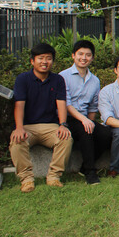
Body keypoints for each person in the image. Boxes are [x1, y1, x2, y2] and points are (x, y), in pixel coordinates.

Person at [9, 43, 73, 193]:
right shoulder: (23, 79)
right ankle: (26, 180)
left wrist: (63, 124)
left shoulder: (58, 80)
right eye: (41, 58)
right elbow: (19, 105)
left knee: (66, 139)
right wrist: (18, 128)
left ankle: (53, 177)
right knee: (16, 141)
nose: (45, 62)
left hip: (50, 126)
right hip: (28, 127)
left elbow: (61, 104)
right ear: (32, 61)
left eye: (49, 58)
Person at [59, 40, 111, 185]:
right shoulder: (63, 76)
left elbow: (93, 106)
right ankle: (90, 172)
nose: (84, 58)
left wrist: (90, 121)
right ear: (73, 56)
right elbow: (66, 103)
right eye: (80, 54)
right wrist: (85, 121)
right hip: (67, 118)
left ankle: (83, 167)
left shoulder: (95, 80)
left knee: (106, 134)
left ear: (92, 58)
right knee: (85, 130)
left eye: (88, 55)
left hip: (84, 119)